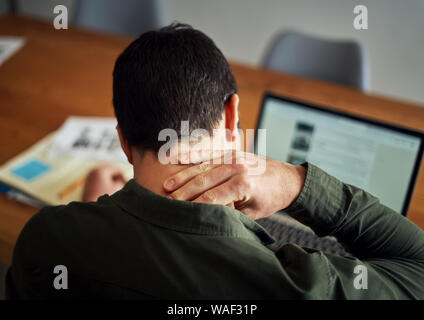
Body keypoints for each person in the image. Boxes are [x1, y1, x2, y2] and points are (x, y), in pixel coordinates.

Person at [6, 23, 424, 299]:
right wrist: (297, 182)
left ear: (122, 140)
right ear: (231, 115)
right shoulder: (304, 285)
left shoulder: (46, 242)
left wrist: (90, 211)